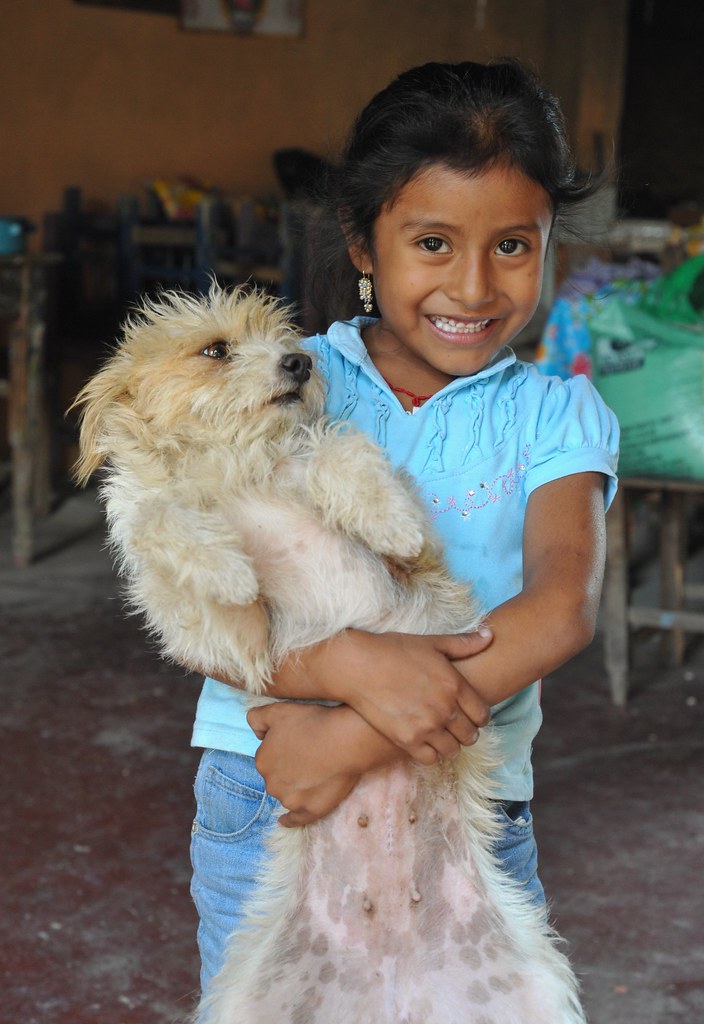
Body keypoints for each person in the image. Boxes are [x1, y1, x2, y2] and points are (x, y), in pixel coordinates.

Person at [189, 59, 619, 1006]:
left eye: (514, 245)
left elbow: (559, 609)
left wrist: (349, 740)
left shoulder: (558, 416)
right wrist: (348, 670)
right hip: (270, 793)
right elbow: (207, 601)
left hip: (461, 812)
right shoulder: (287, 386)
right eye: (432, 241)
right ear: (362, 241)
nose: (473, 286)